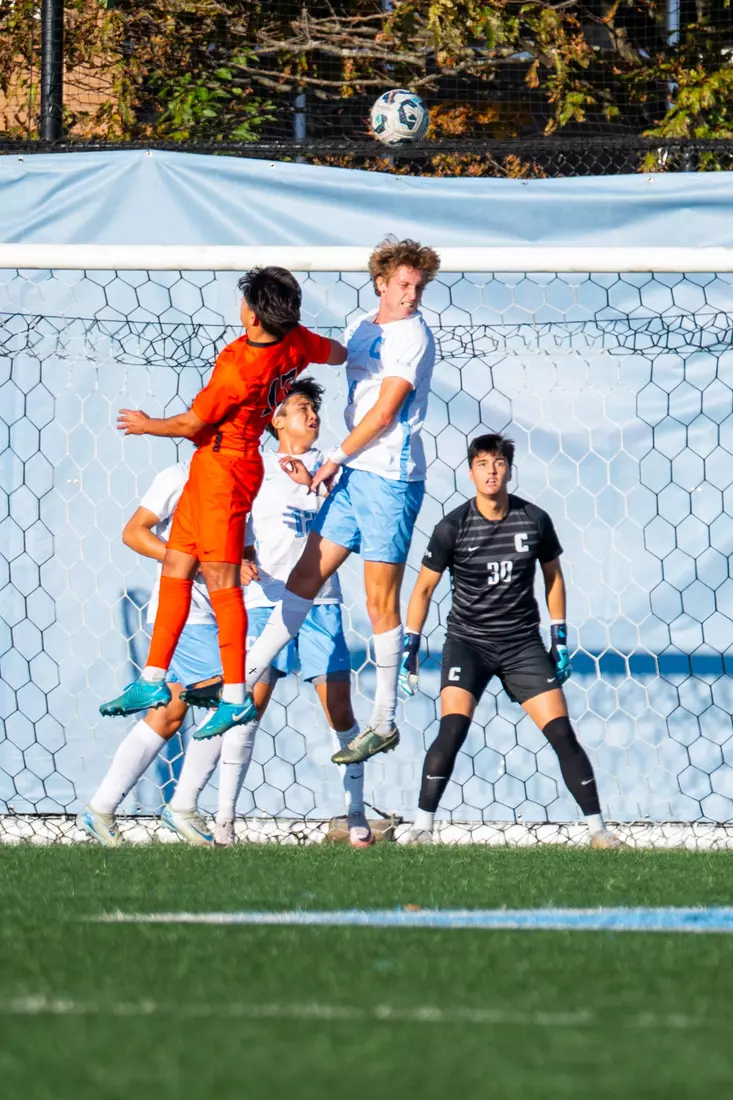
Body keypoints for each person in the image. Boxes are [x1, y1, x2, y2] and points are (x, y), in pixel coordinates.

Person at [99, 267, 346, 740]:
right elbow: (333, 353)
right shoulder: (297, 342)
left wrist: (147, 424)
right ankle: (152, 679)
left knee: (221, 581)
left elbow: (193, 423)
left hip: (226, 471)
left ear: (251, 316)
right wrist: (355, 351)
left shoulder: (238, 370)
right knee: (176, 560)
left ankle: (234, 695)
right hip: (212, 467)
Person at [242, 237, 441, 768]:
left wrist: (330, 459)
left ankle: (384, 720)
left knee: (379, 601)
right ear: (381, 282)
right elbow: (327, 352)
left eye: (418, 286)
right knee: (304, 576)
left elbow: (383, 415)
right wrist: (285, 339)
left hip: (390, 478)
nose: (411, 293)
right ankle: (241, 680)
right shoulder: (361, 326)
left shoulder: (414, 337)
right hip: (355, 473)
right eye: (403, 283)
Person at [400, 432, 623, 849]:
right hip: (468, 642)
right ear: (470, 472)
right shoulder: (451, 527)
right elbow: (423, 590)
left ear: (509, 470)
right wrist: (410, 650)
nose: (491, 471)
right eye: (482, 464)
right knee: (452, 730)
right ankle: (421, 828)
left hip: (522, 645)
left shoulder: (534, 519)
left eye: (498, 463)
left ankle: (599, 832)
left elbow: (553, 577)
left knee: (562, 734)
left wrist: (558, 637)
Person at [177, 379, 374, 848]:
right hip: (266, 601)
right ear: (277, 420)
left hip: (321, 602)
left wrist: (316, 485)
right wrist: (242, 555)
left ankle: (355, 814)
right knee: (246, 709)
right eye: (302, 408)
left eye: (314, 410)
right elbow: (236, 519)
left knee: (339, 709)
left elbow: (353, 525)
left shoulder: (332, 466)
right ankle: (223, 820)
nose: (312, 416)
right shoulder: (256, 467)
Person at [77, 459, 226, 847]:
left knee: (169, 714)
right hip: (187, 613)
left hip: (210, 610)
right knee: (228, 705)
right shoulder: (179, 476)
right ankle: (183, 808)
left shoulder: (244, 475)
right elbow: (134, 532)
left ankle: (101, 809)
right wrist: (184, 563)